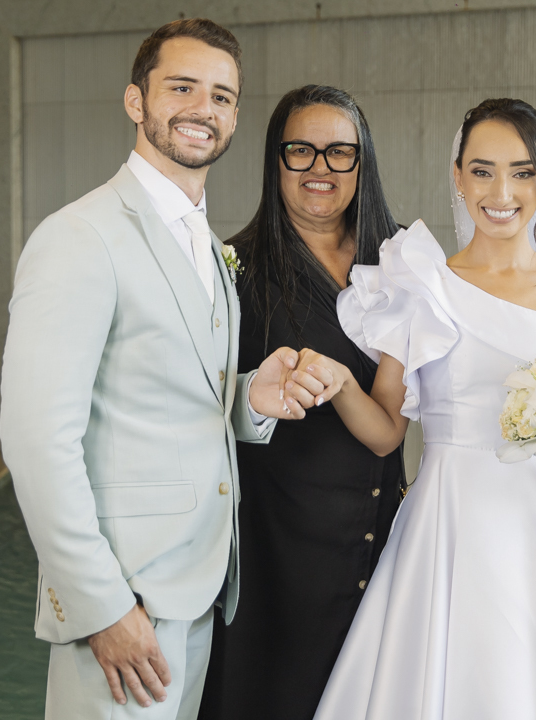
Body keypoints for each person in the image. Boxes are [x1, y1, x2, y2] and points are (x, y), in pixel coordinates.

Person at [300, 99, 536, 719]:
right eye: (482, 171)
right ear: (457, 176)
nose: (501, 191)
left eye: (521, 171)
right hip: (452, 524)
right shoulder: (419, 283)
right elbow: (383, 436)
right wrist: (341, 381)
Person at [0, 19, 318, 720]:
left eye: (224, 96)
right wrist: (102, 606)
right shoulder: (78, 238)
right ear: (136, 103)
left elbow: (166, 395)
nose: (205, 109)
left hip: (199, 588)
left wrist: (249, 396)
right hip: (125, 597)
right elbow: (36, 441)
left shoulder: (204, 241)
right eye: (182, 88)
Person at [199, 85, 406, 720]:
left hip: (380, 539)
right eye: (300, 151)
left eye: (339, 153)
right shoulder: (231, 270)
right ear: (274, 161)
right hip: (277, 547)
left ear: (362, 164)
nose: (320, 168)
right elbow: (198, 408)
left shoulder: (401, 262)